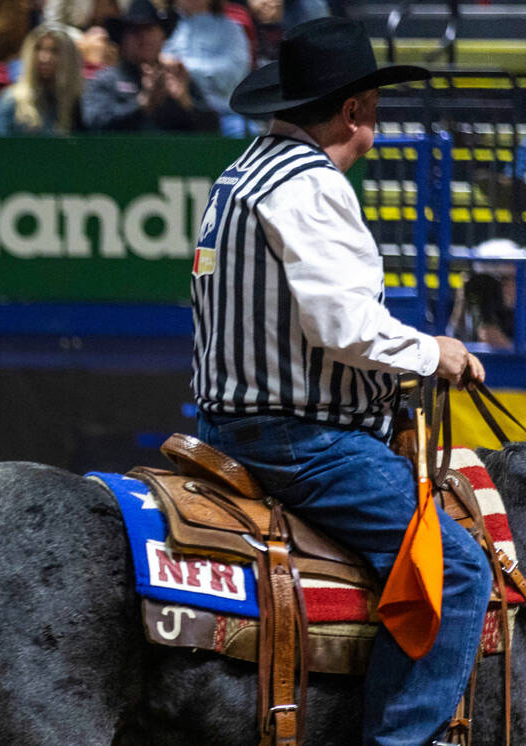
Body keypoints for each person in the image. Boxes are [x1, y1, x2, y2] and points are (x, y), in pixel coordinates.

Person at [191, 17, 492, 745]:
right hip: (304, 443)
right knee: (456, 572)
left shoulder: (239, 175)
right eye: (374, 115)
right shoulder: (310, 186)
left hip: (225, 423)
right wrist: (435, 353)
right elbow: (343, 326)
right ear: (355, 112)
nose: (375, 133)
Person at [81, 0, 217, 132]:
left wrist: (185, 102)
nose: (143, 37)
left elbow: (214, 130)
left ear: (163, 36)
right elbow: (94, 123)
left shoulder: (179, 78)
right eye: (135, 30)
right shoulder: (105, 80)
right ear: (122, 39)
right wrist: (142, 104)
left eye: (149, 29)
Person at [161, 0, 250, 135]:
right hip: (183, 113)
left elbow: (235, 72)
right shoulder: (179, 28)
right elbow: (166, 59)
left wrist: (187, 68)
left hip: (224, 115)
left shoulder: (230, 28)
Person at [0, 23, 83, 135]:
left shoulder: (77, 103)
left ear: (68, 58)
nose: (44, 58)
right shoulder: (11, 101)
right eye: (38, 49)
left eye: (54, 51)